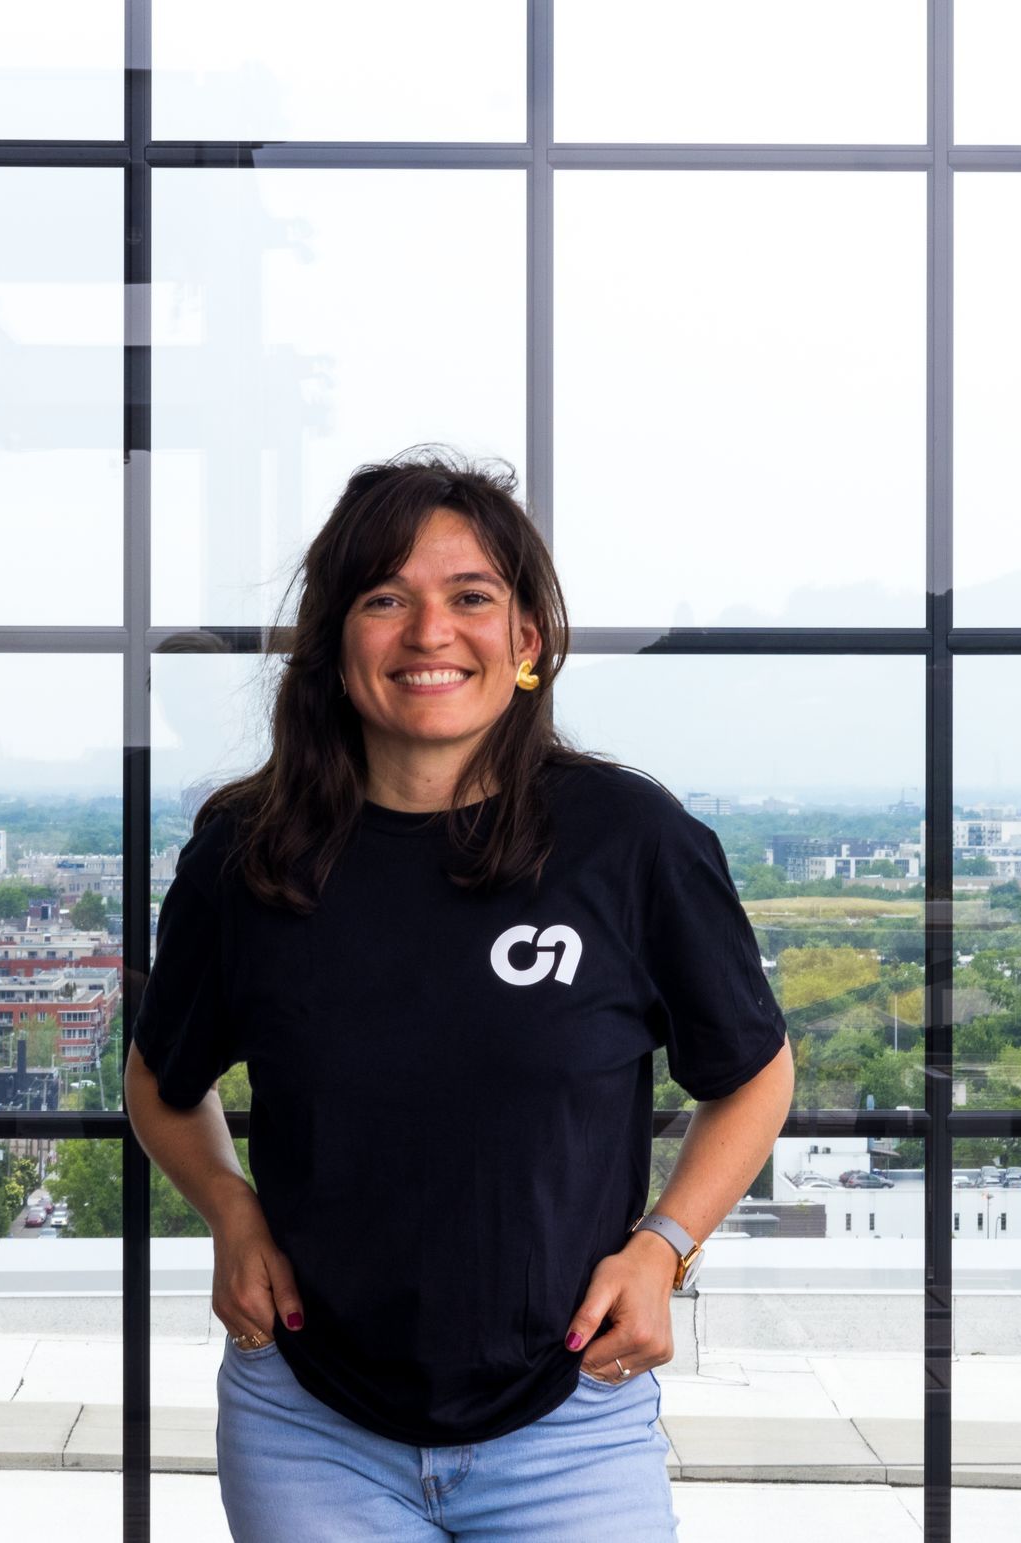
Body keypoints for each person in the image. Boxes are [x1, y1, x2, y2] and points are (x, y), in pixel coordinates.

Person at [126, 447, 795, 1540]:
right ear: (336, 643)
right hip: (311, 1427)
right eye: (386, 598)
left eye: (470, 597)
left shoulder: (631, 842)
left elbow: (756, 1073)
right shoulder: (247, 855)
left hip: (572, 1420)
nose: (430, 632)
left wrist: (664, 1244)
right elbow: (161, 1079)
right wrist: (230, 1209)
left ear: (526, 640)